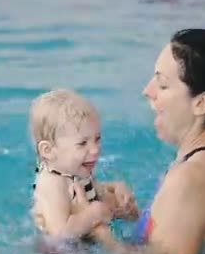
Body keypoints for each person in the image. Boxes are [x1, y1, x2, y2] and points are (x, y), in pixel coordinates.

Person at [75, 29, 205, 254]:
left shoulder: (192, 178)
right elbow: (188, 242)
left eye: (162, 84)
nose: (147, 91)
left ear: (201, 103)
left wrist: (97, 229)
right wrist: (135, 217)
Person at [29, 89, 139, 242]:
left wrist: (116, 190)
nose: (95, 150)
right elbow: (59, 234)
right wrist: (94, 214)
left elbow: (95, 191)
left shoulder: (74, 170)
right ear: (48, 151)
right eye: (82, 143)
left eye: (97, 139)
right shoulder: (52, 183)